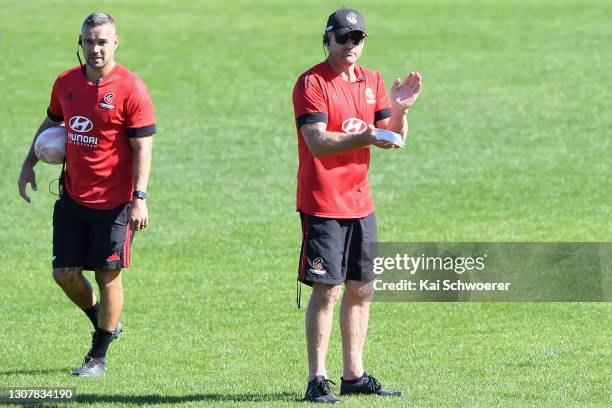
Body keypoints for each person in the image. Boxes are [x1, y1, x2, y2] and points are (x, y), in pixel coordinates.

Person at [292, 7, 422, 403]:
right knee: (327, 290)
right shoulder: (311, 82)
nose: (351, 45)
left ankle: (354, 375)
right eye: (343, 37)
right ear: (327, 39)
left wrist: (400, 109)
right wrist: (366, 136)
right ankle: (318, 379)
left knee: (362, 288)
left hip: (361, 203)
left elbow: (395, 139)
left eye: (358, 38)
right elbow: (316, 141)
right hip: (322, 202)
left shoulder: (374, 81)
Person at [17, 12, 156, 377]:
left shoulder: (131, 88)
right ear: (80, 42)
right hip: (73, 197)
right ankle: (104, 320)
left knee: (109, 276)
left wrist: (139, 197)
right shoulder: (65, 83)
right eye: (89, 41)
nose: (96, 48)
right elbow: (52, 120)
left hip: (114, 203)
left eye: (103, 41)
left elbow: (143, 147)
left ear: (115, 42)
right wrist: (29, 161)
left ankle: (98, 355)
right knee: (63, 273)